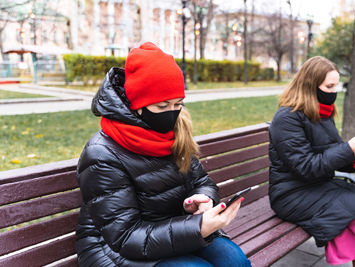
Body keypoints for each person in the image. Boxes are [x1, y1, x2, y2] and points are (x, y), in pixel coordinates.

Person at [75, 42, 251, 267]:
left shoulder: (174, 132)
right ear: (137, 105)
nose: (172, 113)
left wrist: (203, 200)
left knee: (236, 262)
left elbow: (202, 182)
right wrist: (197, 228)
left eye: (178, 103)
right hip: (115, 249)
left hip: (172, 231)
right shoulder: (102, 154)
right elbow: (124, 236)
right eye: (161, 106)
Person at [268, 56, 355, 266]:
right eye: (329, 86)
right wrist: (348, 149)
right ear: (311, 86)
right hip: (291, 193)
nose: (333, 91)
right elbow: (306, 167)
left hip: (318, 186)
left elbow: (331, 156)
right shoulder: (286, 119)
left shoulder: (322, 114)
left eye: (336, 85)